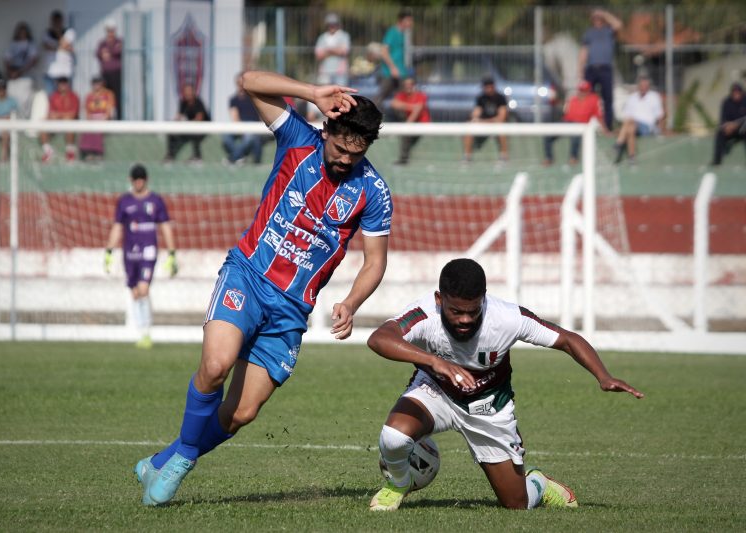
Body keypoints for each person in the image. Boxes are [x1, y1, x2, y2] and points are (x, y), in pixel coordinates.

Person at [133, 70, 390, 507]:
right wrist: (311, 92)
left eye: (356, 152)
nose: (346, 159)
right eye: (341, 148)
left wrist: (350, 301)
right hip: (248, 276)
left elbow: (375, 261)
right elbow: (248, 80)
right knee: (215, 366)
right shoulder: (297, 139)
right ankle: (182, 464)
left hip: (291, 310)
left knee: (243, 412)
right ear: (327, 129)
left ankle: (167, 457)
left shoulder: (374, 191)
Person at [366, 258, 643, 512]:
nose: (464, 320)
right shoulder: (424, 314)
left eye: (472, 311)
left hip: (489, 406)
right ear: (439, 300)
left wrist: (603, 376)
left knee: (516, 504)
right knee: (394, 437)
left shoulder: (507, 318)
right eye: (456, 312)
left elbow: (567, 339)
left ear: (483, 300)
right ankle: (399, 484)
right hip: (435, 391)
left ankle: (538, 484)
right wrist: (434, 362)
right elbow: (379, 338)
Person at [104, 164, 177, 349]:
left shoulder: (155, 201)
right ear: (131, 180)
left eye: (141, 179)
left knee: (143, 289)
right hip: (129, 253)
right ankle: (139, 331)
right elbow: (118, 227)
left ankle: (146, 333)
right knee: (135, 293)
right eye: (136, 179)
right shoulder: (124, 202)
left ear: (146, 180)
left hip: (148, 251)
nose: (139, 182)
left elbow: (165, 226)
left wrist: (172, 252)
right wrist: (109, 251)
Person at [543, 79, 606, 166]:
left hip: (581, 125)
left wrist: (604, 129)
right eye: (581, 90)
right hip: (567, 122)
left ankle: (573, 158)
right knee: (548, 135)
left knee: (576, 136)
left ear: (588, 91)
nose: (582, 93)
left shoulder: (594, 99)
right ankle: (548, 158)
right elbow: (565, 113)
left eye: (584, 91)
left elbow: (599, 116)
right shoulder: (573, 99)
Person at [578, 8, 622, 131]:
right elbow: (583, 51)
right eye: (595, 18)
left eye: (599, 18)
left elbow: (618, 25)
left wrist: (604, 13)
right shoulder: (589, 33)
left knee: (608, 98)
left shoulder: (609, 31)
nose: (597, 20)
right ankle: (586, 124)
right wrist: (580, 70)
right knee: (587, 98)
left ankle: (608, 127)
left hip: (605, 69)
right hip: (591, 69)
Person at [614, 75, 663, 164]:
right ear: (638, 86)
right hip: (633, 125)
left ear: (648, 86)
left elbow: (659, 116)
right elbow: (626, 115)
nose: (643, 88)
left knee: (630, 122)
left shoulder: (654, 97)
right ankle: (632, 157)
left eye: (645, 86)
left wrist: (659, 130)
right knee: (630, 129)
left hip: (647, 127)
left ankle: (619, 143)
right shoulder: (632, 98)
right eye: (642, 85)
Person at [462, 76, 509, 163]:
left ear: (493, 86)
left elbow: (501, 118)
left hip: (496, 125)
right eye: (485, 87)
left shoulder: (500, 98)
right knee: (469, 129)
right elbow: (476, 114)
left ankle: (504, 157)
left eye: (489, 87)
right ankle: (467, 157)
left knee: (502, 130)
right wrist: (474, 119)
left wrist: (486, 121)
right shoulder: (481, 98)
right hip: (483, 125)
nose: (488, 89)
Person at [222, 72, 264, 165]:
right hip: (241, 124)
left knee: (249, 138)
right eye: (239, 83)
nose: (241, 85)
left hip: (254, 125)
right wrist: (240, 128)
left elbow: (261, 113)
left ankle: (233, 158)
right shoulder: (233, 99)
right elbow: (234, 116)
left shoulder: (255, 97)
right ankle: (240, 157)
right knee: (225, 136)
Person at [375, 9, 413, 112]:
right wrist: (393, 68)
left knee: (402, 98)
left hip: (401, 73)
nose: (411, 23)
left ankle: (400, 123)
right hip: (389, 73)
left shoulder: (404, 34)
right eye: (408, 20)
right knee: (380, 98)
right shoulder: (392, 32)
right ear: (401, 21)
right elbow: (384, 51)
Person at [164, 83, 209, 162]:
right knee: (171, 133)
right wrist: (173, 124)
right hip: (189, 127)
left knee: (195, 134)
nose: (188, 93)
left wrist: (186, 124)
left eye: (189, 91)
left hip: (203, 128)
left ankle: (197, 157)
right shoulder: (183, 102)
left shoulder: (198, 102)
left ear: (193, 92)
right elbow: (178, 116)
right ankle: (170, 155)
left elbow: (199, 119)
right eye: (186, 91)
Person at [390, 76, 430, 165]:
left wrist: (407, 125)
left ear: (415, 85)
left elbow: (417, 111)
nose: (408, 86)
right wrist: (411, 107)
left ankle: (404, 158)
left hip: (420, 123)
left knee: (407, 135)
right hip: (408, 121)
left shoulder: (420, 95)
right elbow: (393, 103)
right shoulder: (401, 95)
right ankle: (404, 158)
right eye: (406, 84)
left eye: (411, 84)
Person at [4, 22, 39, 119]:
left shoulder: (31, 45)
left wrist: (20, 72)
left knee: (24, 99)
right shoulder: (13, 44)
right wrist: (11, 72)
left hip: (25, 75)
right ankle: (15, 120)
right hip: (13, 75)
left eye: (24, 32)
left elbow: (33, 60)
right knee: (12, 98)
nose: (22, 34)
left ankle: (24, 121)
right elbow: (7, 59)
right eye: (20, 32)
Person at [40, 76, 79, 163]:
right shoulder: (53, 96)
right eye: (60, 83)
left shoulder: (73, 96)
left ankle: (70, 152)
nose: (62, 85)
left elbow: (73, 115)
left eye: (64, 83)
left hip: (68, 123)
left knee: (69, 123)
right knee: (42, 126)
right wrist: (61, 116)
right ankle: (48, 151)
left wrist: (59, 115)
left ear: (67, 84)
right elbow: (51, 114)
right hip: (56, 123)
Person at [78, 76, 116, 160]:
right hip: (92, 119)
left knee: (98, 128)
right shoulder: (89, 96)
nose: (96, 85)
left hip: (104, 118)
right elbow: (87, 111)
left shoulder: (108, 94)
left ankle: (98, 152)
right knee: (88, 129)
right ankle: (88, 152)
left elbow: (110, 109)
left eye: (98, 83)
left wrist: (105, 118)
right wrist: (90, 119)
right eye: (94, 83)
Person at [711, 83, 746, 166]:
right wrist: (726, 127)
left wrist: (736, 124)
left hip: (743, 130)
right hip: (730, 130)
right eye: (734, 92)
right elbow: (722, 120)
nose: (736, 94)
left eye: (738, 92)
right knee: (720, 133)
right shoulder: (726, 102)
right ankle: (717, 161)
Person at [96, 19, 122, 119]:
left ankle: (119, 119)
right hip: (105, 74)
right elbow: (99, 54)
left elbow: (118, 52)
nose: (110, 32)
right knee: (105, 97)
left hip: (116, 74)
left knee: (117, 97)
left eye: (112, 30)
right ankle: (106, 119)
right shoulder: (102, 43)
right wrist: (111, 52)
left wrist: (108, 53)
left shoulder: (119, 41)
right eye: (109, 30)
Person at [315, 13, 351, 87]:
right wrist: (336, 50)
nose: (332, 26)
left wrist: (327, 50)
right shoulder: (322, 37)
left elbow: (344, 51)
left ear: (338, 24)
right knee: (324, 93)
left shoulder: (344, 36)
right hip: (325, 71)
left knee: (341, 93)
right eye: (330, 24)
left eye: (334, 24)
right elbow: (318, 55)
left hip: (340, 71)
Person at [41, 11, 72, 95]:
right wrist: (61, 47)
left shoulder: (68, 32)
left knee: (65, 97)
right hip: (50, 72)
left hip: (64, 72)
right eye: (55, 21)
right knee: (51, 97)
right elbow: (47, 46)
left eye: (58, 21)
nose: (56, 23)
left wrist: (58, 33)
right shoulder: (47, 33)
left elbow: (67, 46)